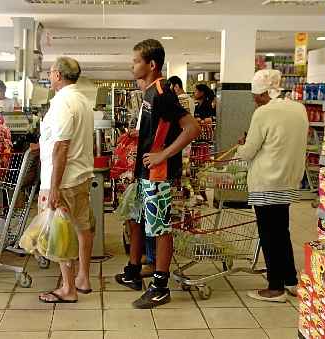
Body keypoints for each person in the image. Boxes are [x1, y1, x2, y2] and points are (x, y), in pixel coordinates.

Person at [115, 39, 200, 309]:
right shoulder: (150, 93)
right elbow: (161, 130)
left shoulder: (162, 92)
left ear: (151, 64)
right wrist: (139, 137)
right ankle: (132, 273)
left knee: (160, 229)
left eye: (136, 61)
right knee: (137, 219)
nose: (131, 66)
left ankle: (161, 287)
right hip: (145, 172)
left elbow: (192, 128)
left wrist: (163, 155)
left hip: (158, 175)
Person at [236, 69, 308, 303]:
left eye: (256, 94)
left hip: (266, 182)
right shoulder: (299, 109)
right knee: (281, 231)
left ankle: (275, 287)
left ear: (265, 92)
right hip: (289, 180)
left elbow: (249, 151)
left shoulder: (263, 113)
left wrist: (240, 147)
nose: (254, 99)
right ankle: (291, 281)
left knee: (268, 234)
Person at [37, 57, 95, 303]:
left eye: (50, 73)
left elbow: (61, 147)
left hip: (63, 179)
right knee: (82, 227)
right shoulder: (82, 100)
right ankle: (83, 277)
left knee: (59, 231)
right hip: (81, 176)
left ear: (58, 75)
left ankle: (68, 289)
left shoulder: (62, 102)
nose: (49, 77)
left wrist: (54, 187)